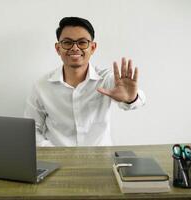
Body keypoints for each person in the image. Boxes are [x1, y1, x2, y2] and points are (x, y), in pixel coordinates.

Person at [24, 17, 145, 146]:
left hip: (101, 159)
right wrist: (53, 151)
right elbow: (31, 130)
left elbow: (137, 101)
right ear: (58, 48)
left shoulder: (106, 79)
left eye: (82, 42)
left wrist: (131, 99)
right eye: (67, 42)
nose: (75, 48)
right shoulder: (42, 86)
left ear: (92, 48)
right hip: (58, 160)